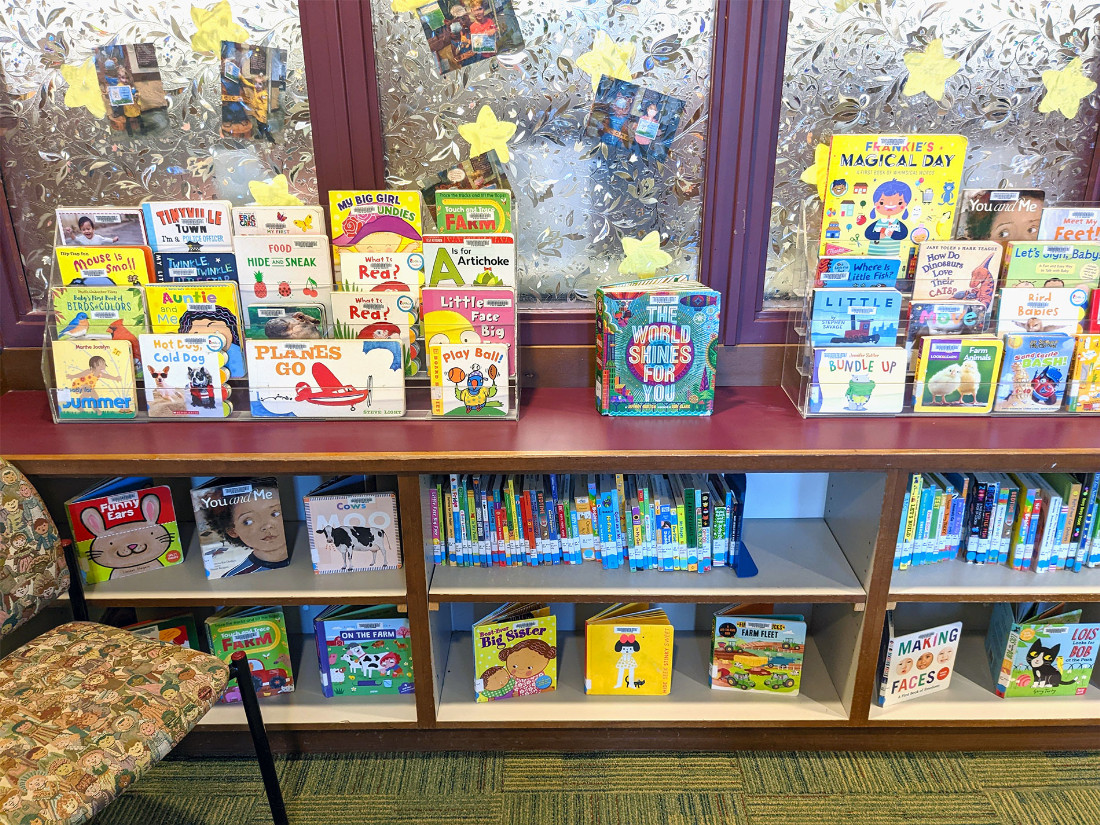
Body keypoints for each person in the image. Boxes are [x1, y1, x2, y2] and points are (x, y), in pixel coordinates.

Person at [204, 486, 289, 576]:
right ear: (232, 531)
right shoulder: (234, 577)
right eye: (248, 521)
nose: (266, 525)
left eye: (275, 513)